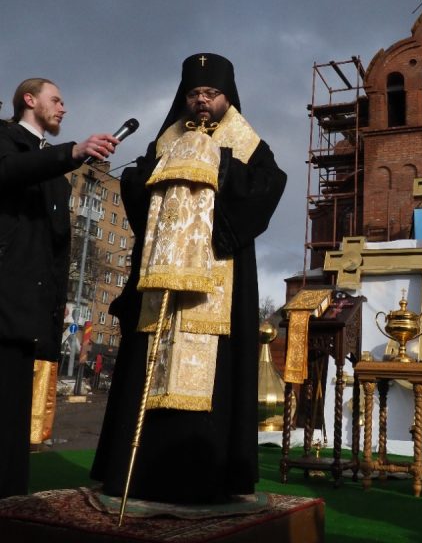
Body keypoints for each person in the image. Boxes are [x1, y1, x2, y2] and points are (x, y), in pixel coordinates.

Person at [91, 53, 286, 504]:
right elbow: (134, 181)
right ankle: (136, 477)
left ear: (226, 97)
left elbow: (270, 185)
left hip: (218, 275)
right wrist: (163, 173)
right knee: (147, 363)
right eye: (195, 93)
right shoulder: (168, 137)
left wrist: (218, 165)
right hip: (161, 278)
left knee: (216, 373)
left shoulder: (246, 140)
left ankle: (208, 479)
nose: (202, 101)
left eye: (211, 94)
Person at [0, 78, 119, 498]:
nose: (63, 108)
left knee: (13, 427)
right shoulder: (5, 137)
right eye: (57, 100)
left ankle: (12, 508)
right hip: (4, 301)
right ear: (29, 100)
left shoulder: (55, 171)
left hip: (28, 313)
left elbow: (54, 250)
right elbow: (9, 171)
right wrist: (73, 151)